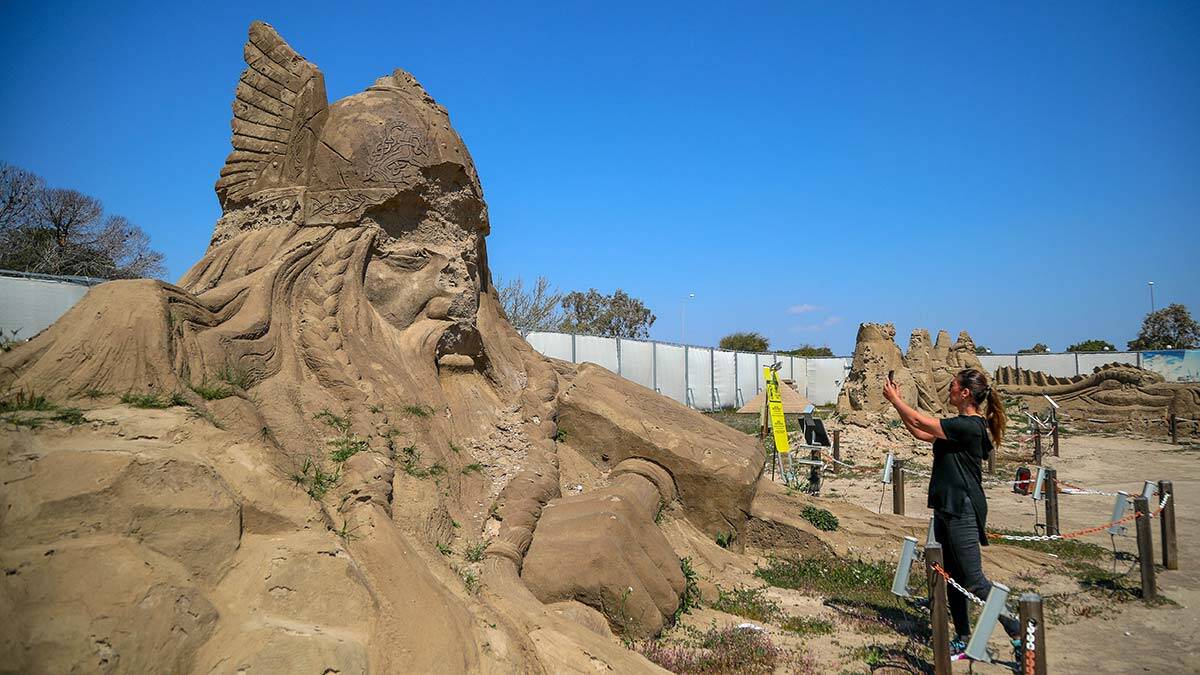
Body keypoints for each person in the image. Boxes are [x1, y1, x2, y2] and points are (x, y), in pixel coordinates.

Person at [882, 367, 1022, 656]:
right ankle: (962, 634)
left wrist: (896, 399)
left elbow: (922, 420)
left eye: (954, 387)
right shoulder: (960, 425)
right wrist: (896, 405)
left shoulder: (970, 426)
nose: (949, 390)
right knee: (952, 577)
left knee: (974, 580)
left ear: (965, 393)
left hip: (963, 508)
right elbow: (920, 432)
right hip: (948, 505)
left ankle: (1017, 631)